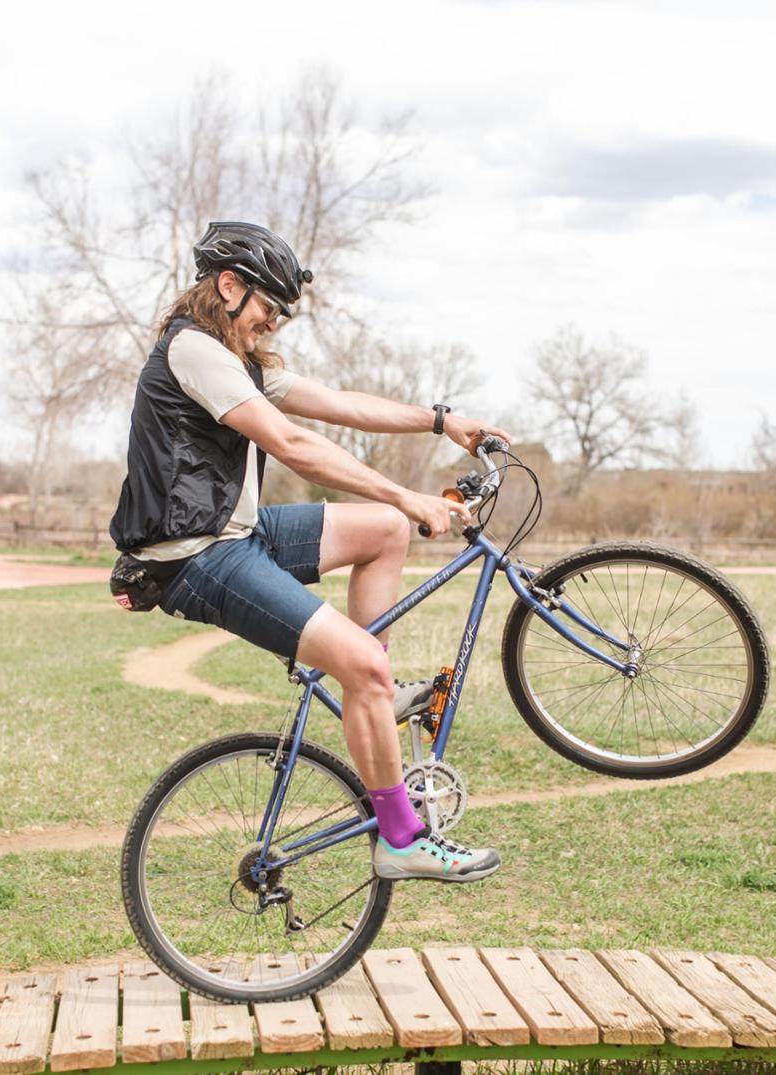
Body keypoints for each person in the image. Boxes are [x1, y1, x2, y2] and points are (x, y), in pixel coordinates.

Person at [110, 221, 510, 882]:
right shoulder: (194, 351)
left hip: (240, 531)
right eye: (269, 308)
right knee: (373, 617)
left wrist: (443, 420)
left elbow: (343, 405)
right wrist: (409, 494)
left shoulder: (240, 357)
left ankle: (368, 686)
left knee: (381, 531)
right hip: (198, 557)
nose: (272, 324)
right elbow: (293, 445)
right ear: (229, 286)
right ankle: (401, 836)